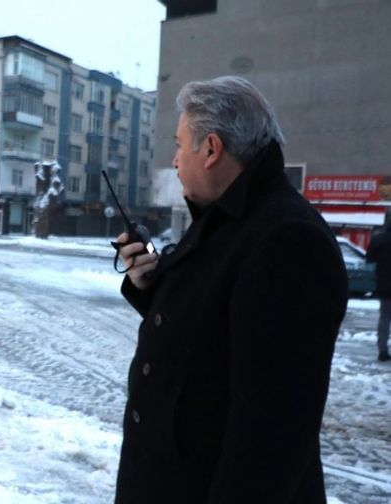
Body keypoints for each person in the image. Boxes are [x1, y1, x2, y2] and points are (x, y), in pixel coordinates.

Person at [113, 76, 348, 503]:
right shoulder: (226, 221)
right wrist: (148, 286)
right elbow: (211, 335)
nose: (176, 159)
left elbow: (272, 435)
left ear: (212, 149)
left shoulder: (286, 241)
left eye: (180, 145)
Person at [366, 224, 391, 362]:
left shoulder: (379, 240)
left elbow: (369, 258)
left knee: (385, 318)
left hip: (385, 284)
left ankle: (383, 350)